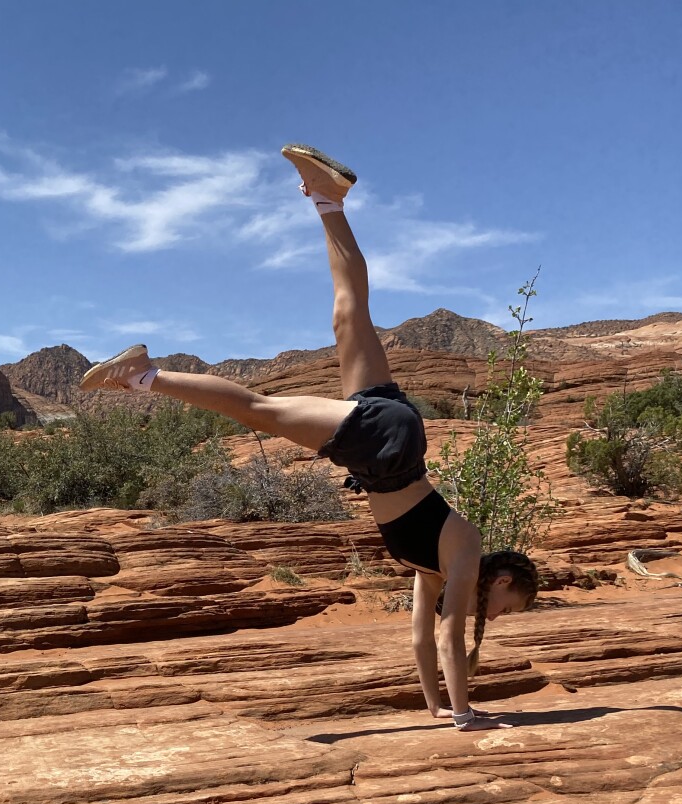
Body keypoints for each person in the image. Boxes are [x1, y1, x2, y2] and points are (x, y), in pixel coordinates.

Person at [81, 144, 538, 733]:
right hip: (386, 452)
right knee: (259, 410)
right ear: (503, 581)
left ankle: (329, 199)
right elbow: (452, 635)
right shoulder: (466, 556)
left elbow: (423, 640)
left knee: (350, 313)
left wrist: (436, 707)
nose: (500, 616)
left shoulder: (440, 567)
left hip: (393, 436)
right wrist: (467, 715)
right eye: (510, 607)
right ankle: (143, 373)